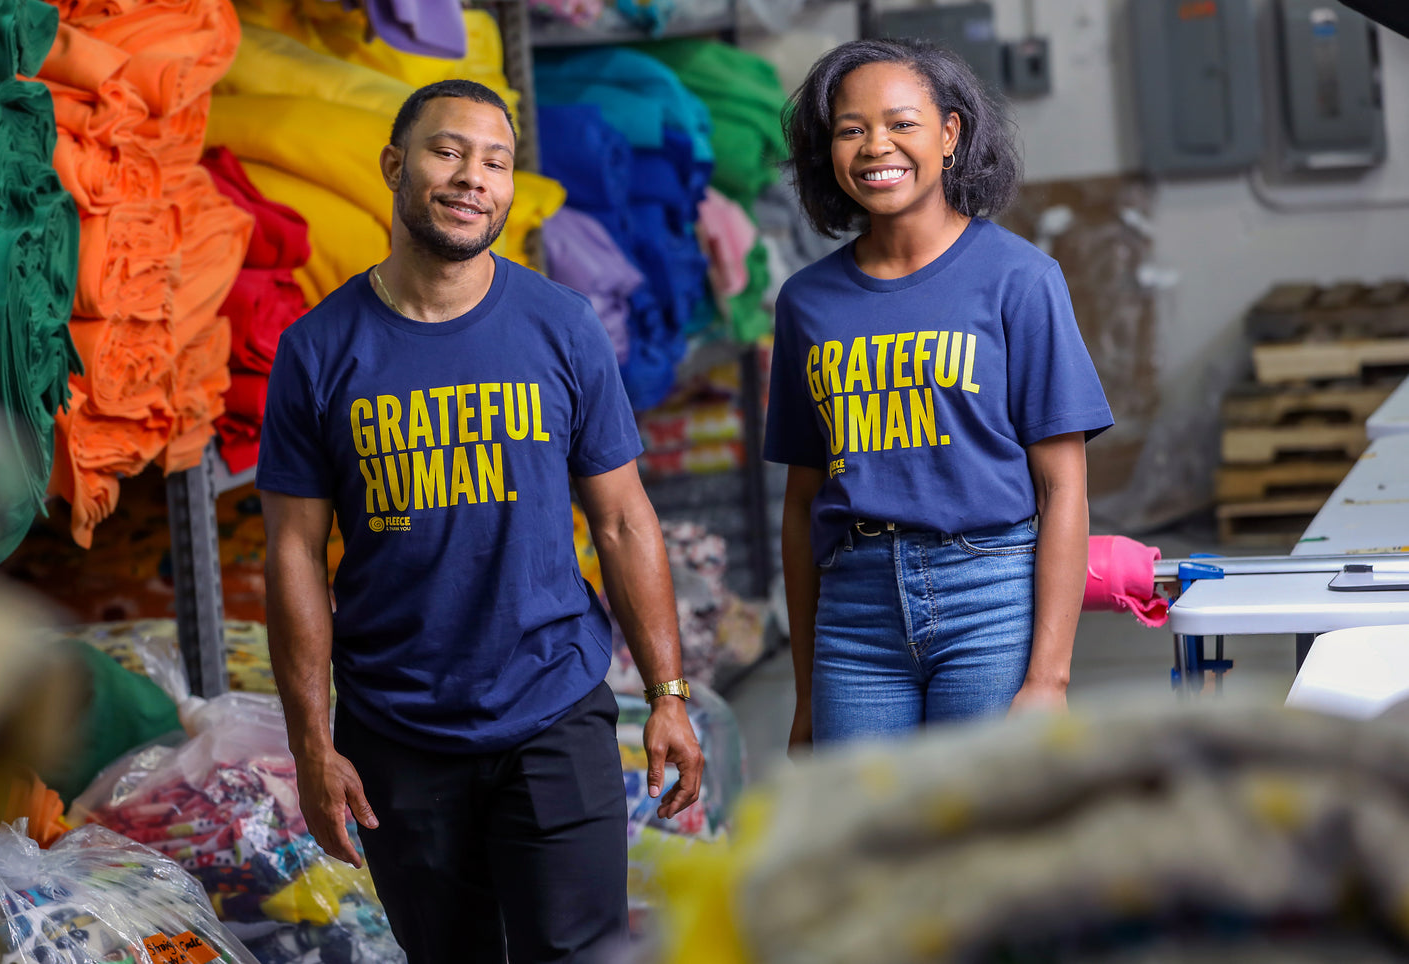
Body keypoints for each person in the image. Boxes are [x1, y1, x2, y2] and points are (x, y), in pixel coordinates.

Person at [257, 78, 703, 964]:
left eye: (495, 162)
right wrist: (313, 744)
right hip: (396, 733)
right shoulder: (318, 350)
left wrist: (667, 695)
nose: (473, 179)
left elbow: (621, 521)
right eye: (448, 152)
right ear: (395, 165)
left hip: (551, 707)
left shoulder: (562, 325)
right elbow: (294, 556)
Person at [765, 39, 1114, 749]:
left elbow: (1063, 488)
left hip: (988, 594)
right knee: (871, 843)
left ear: (949, 134)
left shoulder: (1019, 278)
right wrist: (807, 694)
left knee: (978, 840)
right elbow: (802, 502)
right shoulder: (806, 302)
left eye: (901, 123)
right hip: (853, 611)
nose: (875, 147)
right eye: (850, 129)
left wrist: (1048, 678)